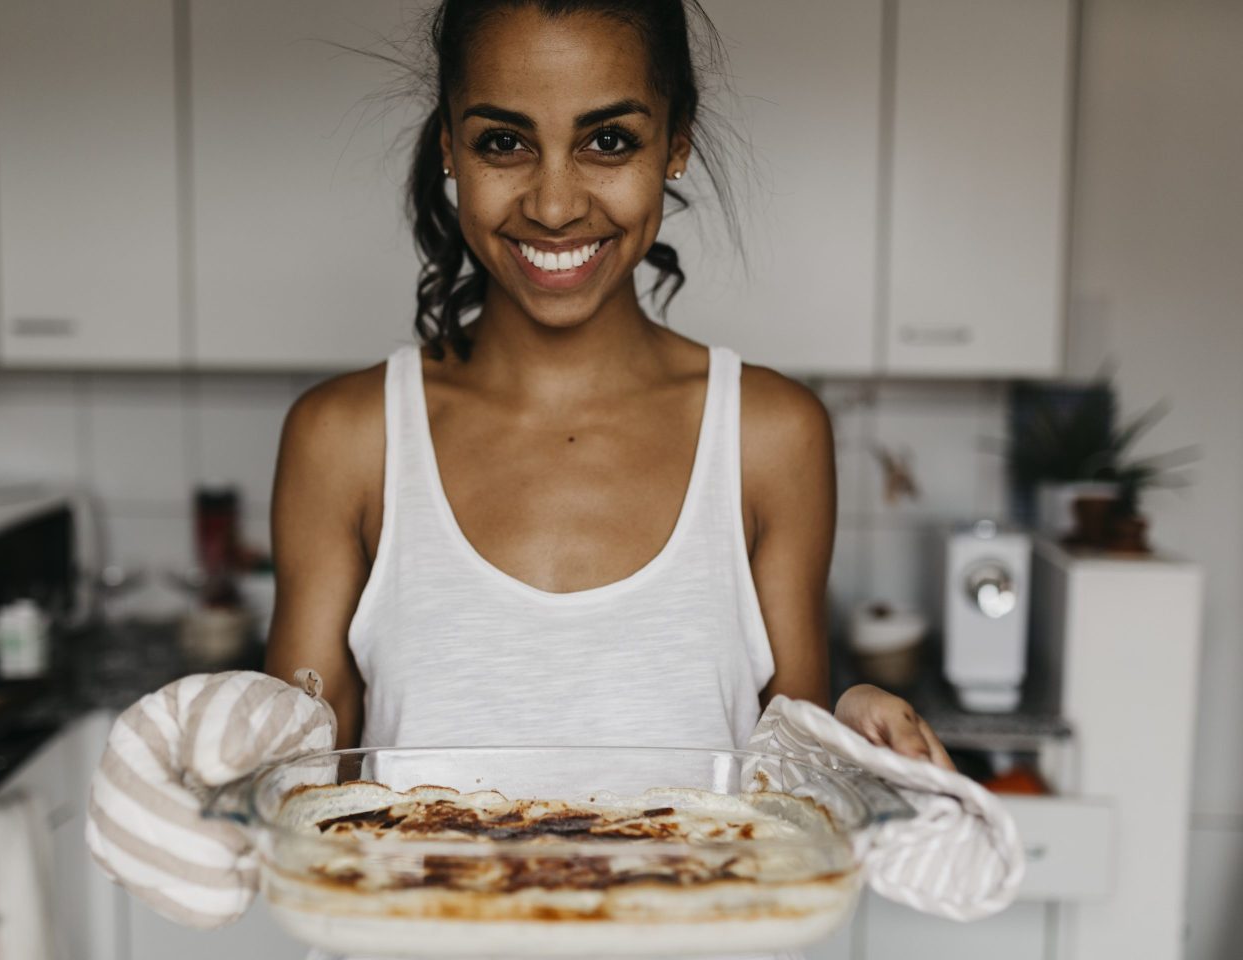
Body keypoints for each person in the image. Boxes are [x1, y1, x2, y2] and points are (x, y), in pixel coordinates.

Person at [263, 0, 951, 955]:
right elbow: (298, 770)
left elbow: (785, 775)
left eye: (609, 141)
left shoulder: (769, 435)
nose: (553, 203)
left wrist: (851, 731)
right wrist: (222, 738)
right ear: (450, 150)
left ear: (675, 146)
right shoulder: (344, 438)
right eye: (505, 140)